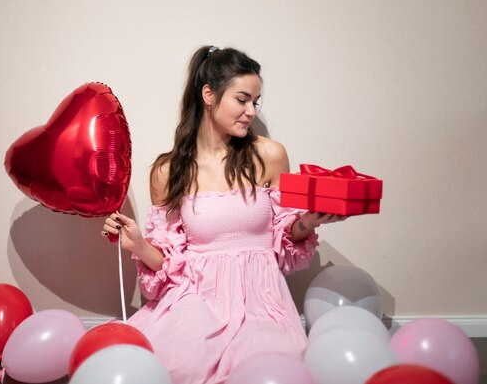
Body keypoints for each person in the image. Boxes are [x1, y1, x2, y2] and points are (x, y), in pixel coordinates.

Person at [101, 45, 346, 384]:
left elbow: (285, 237)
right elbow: (168, 263)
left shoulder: (270, 155)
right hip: (195, 299)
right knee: (176, 368)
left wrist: (308, 222)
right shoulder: (168, 170)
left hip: (260, 299)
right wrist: (138, 244)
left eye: (255, 102)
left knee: (271, 369)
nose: (250, 112)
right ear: (209, 95)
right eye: (242, 99)